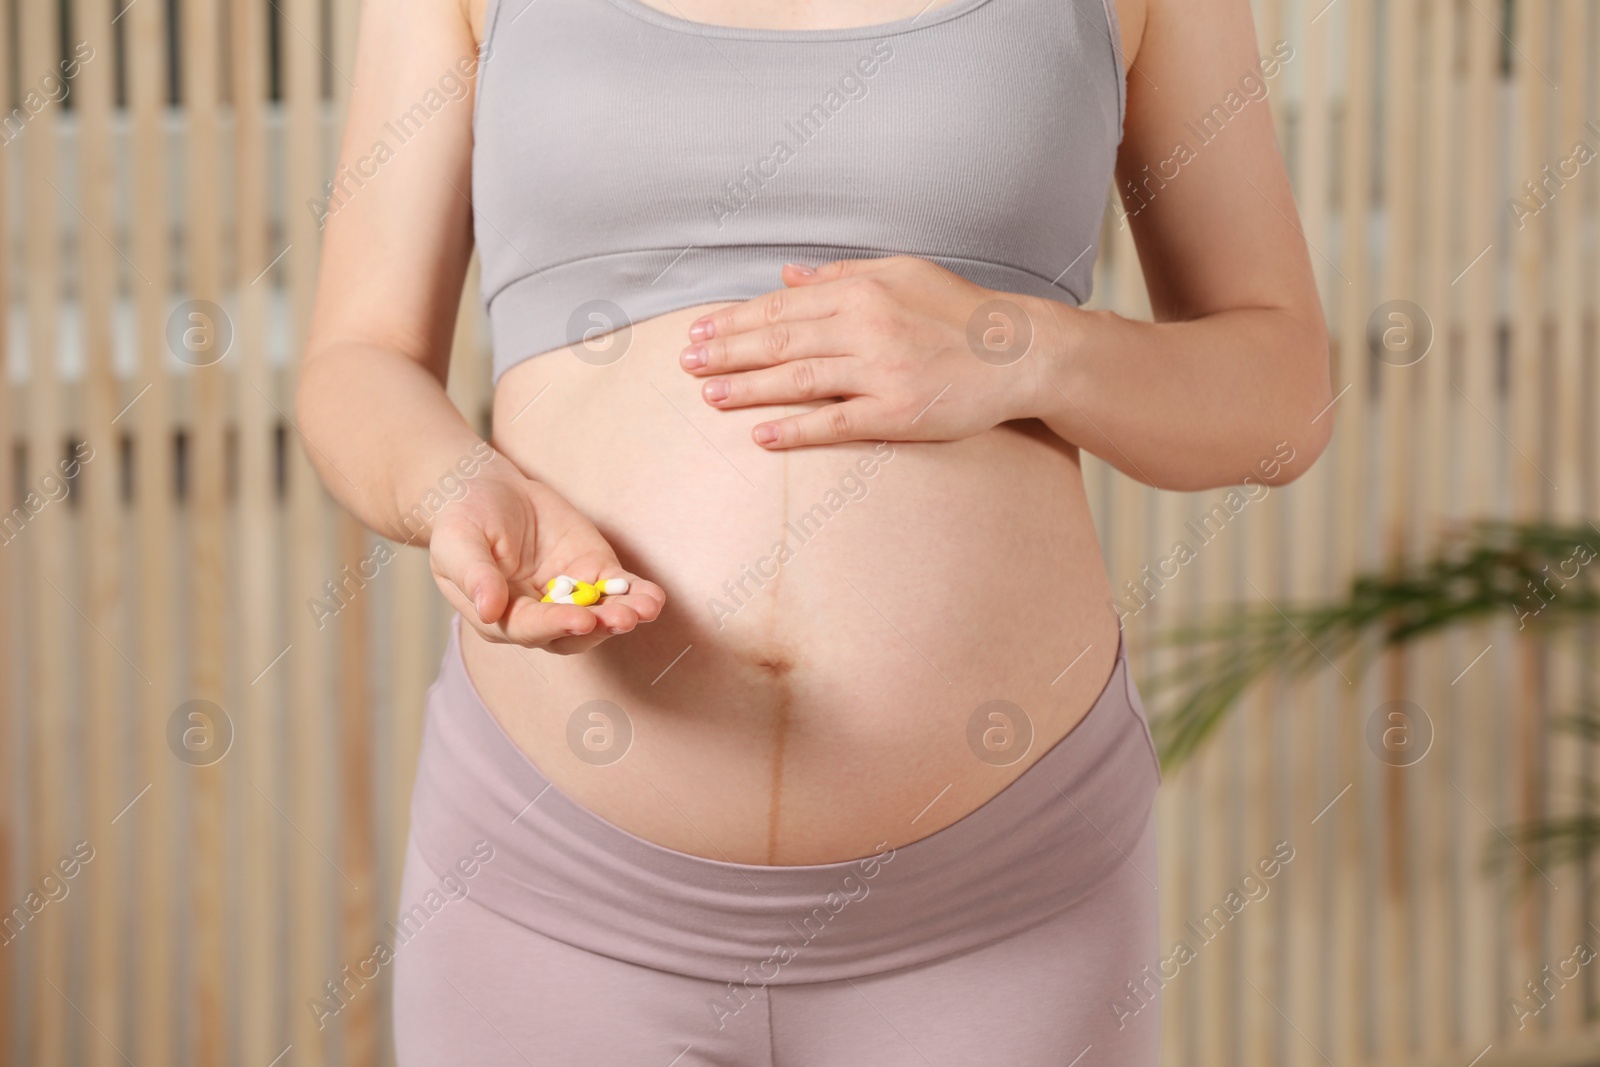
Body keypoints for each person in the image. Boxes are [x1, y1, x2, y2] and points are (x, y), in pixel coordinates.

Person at [297, 0, 1330, 1059]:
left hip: (1000, 906)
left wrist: (1021, 346)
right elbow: (359, 356)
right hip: (557, 893)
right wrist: (456, 485)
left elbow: (1283, 393)